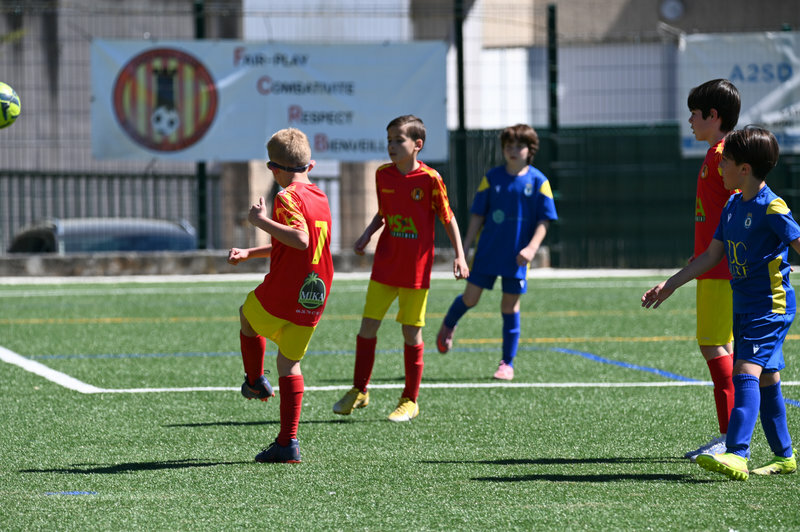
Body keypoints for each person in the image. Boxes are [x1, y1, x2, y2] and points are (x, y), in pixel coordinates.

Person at [642, 126, 798, 480]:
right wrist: (670, 285)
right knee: (767, 379)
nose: (720, 166)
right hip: (743, 307)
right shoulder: (731, 206)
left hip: (769, 308)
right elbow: (711, 256)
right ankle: (785, 456)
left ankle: (737, 453)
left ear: (745, 168)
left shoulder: (772, 206)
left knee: (745, 372)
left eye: (725, 161)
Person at [332, 114, 469, 422]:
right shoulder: (383, 175)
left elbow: (448, 218)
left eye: (398, 140)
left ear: (417, 144)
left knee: (411, 332)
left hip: (415, 270)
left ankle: (410, 399)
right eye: (389, 140)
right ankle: (359, 390)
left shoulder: (430, 179)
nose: (391, 146)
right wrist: (367, 234)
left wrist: (460, 256)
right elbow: (383, 212)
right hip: (385, 264)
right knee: (367, 328)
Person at [228, 127, 333, 463]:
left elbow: (299, 239)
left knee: (247, 315)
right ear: (310, 166)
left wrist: (260, 221)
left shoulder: (286, 197)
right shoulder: (320, 197)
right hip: (315, 292)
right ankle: (288, 443)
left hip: (288, 287)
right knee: (289, 364)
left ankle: (255, 381)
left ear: (274, 169)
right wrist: (251, 253)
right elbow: (296, 244)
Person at [436, 123, 557, 380]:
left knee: (510, 307)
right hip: (488, 252)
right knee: (471, 298)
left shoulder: (539, 182)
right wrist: (464, 249)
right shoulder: (492, 178)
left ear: (530, 150)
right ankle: (449, 323)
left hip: (517, 257)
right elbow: (477, 216)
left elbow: (544, 221)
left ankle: (506, 363)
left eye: (519, 146)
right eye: (508, 146)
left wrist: (532, 248)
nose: (513, 150)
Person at [682, 79, 741, 461]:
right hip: (714, 266)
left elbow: (741, 205)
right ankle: (734, 434)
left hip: (720, 269)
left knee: (712, 344)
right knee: (725, 346)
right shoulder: (719, 153)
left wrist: (714, 255)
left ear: (713, 115)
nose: (690, 120)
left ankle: (731, 438)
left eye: (695, 113)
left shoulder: (723, 155)